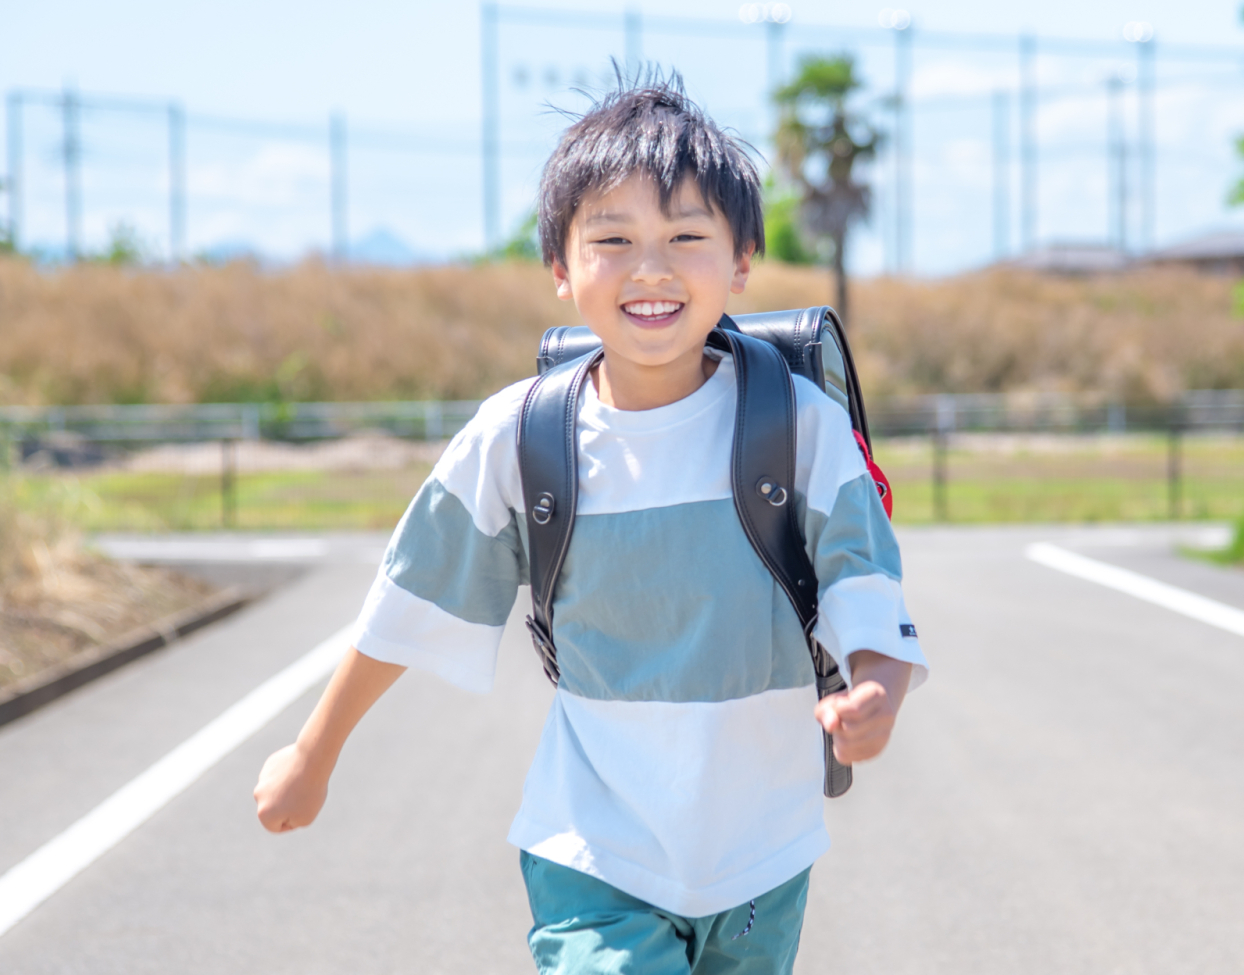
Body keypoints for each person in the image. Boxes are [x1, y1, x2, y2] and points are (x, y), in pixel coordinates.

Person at [253, 72, 928, 975]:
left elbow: (864, 580)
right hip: (592, 848)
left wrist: (877, 689)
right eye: (613, 239)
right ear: (563, 271)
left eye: (686, 236)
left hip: (764, 851)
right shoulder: (521, 435)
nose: (650, 268)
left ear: (741, 260)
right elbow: (405, 604)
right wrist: (312, 752)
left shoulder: (797, 423)